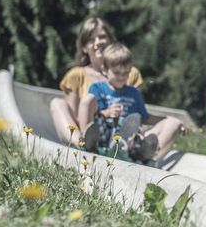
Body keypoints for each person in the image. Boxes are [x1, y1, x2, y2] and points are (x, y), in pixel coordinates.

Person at [79, 43, 184, 161]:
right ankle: (88, 144)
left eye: (126, 73)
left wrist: (167, 119)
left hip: (128, 136)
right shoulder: (97, 88)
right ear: (105, 69)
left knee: (137, 122)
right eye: (117, 73)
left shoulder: (134, 93)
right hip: (104, 132)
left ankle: (140, 152)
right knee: (88, 101)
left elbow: (145, 117)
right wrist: (108, 113)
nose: (122, 77)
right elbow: (93, 115)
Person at [49, 17, 143, 145]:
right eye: (91, 40)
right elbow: (75, 118)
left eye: (102, 37)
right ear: (84, 48)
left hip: (120, 136)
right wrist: (103, 114)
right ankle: (82, 144)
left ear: (110, 41)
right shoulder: (76, 75)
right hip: (86, 131)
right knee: (57, 103)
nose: (98, 42)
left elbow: (136, 112)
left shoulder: (130, 74)